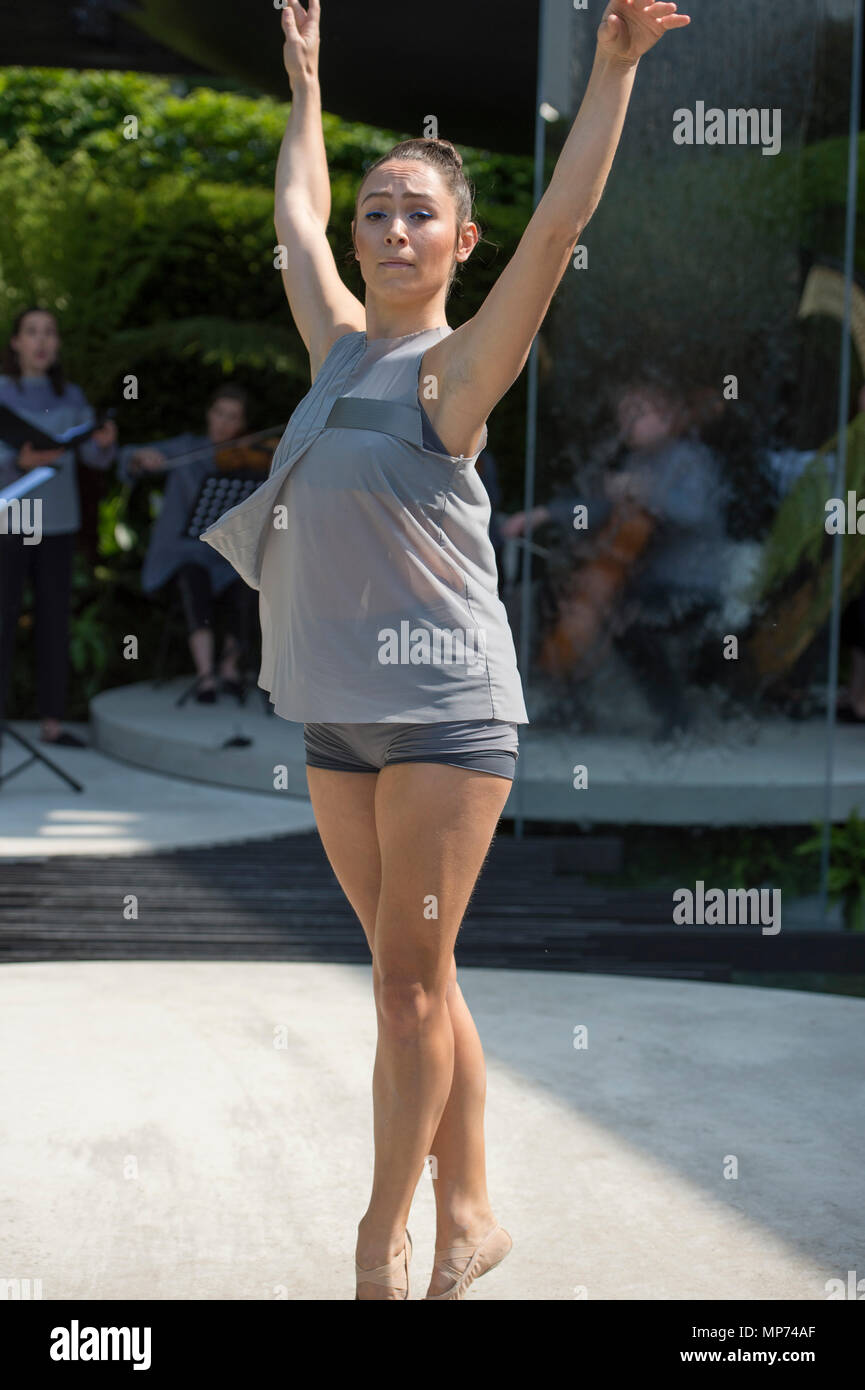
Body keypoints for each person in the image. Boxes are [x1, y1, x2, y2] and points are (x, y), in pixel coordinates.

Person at [200, 0, 692, 1299]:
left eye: (419, 211)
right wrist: (306, 83)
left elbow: (560, 224)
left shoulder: (452, 372)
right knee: (418, 972)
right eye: (379, 210)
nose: (391, 227)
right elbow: (292, 216)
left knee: (405, 996)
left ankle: (384, 1240)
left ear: (458, 241)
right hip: (334, 718)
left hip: (443, 718)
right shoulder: (335, 355)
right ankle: (474, 1207)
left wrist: (612, 67)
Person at [504, 374, 728, 736]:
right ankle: (571, 706)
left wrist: (647, 492)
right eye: (624, 414)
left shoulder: (690, 460)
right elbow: (603, 509)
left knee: (629, 622)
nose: (627, 423)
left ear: (667, 417)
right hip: (644, 581)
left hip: (686, 584)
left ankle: (678, 717)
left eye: (638, 413)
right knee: (560, 599)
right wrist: (544, 513)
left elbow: (693, 513)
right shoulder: (639, 462)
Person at [0, 306, 118, 745]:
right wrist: (18, 462)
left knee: (54, 621)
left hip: (58, 520)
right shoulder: (2, 393)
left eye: (49, 332)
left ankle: (52, 722)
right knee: (3, 620)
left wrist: (104, 445)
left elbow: (92, 458)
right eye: (32, 332)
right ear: (15, 342)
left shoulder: (71, 396)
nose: (41, 341)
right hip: (11, 521)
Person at [118, 385, 258, 701]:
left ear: (242, 425)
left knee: (246, 581)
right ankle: (205, 673)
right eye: (218, 413)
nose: (223, 423)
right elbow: (128, 457)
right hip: (180, 555)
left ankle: (230, 668)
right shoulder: (185, 448)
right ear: (208, 414)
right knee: (193, 576)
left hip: (224, 558)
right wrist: (141, 457)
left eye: (232, 417)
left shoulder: (246, 460)